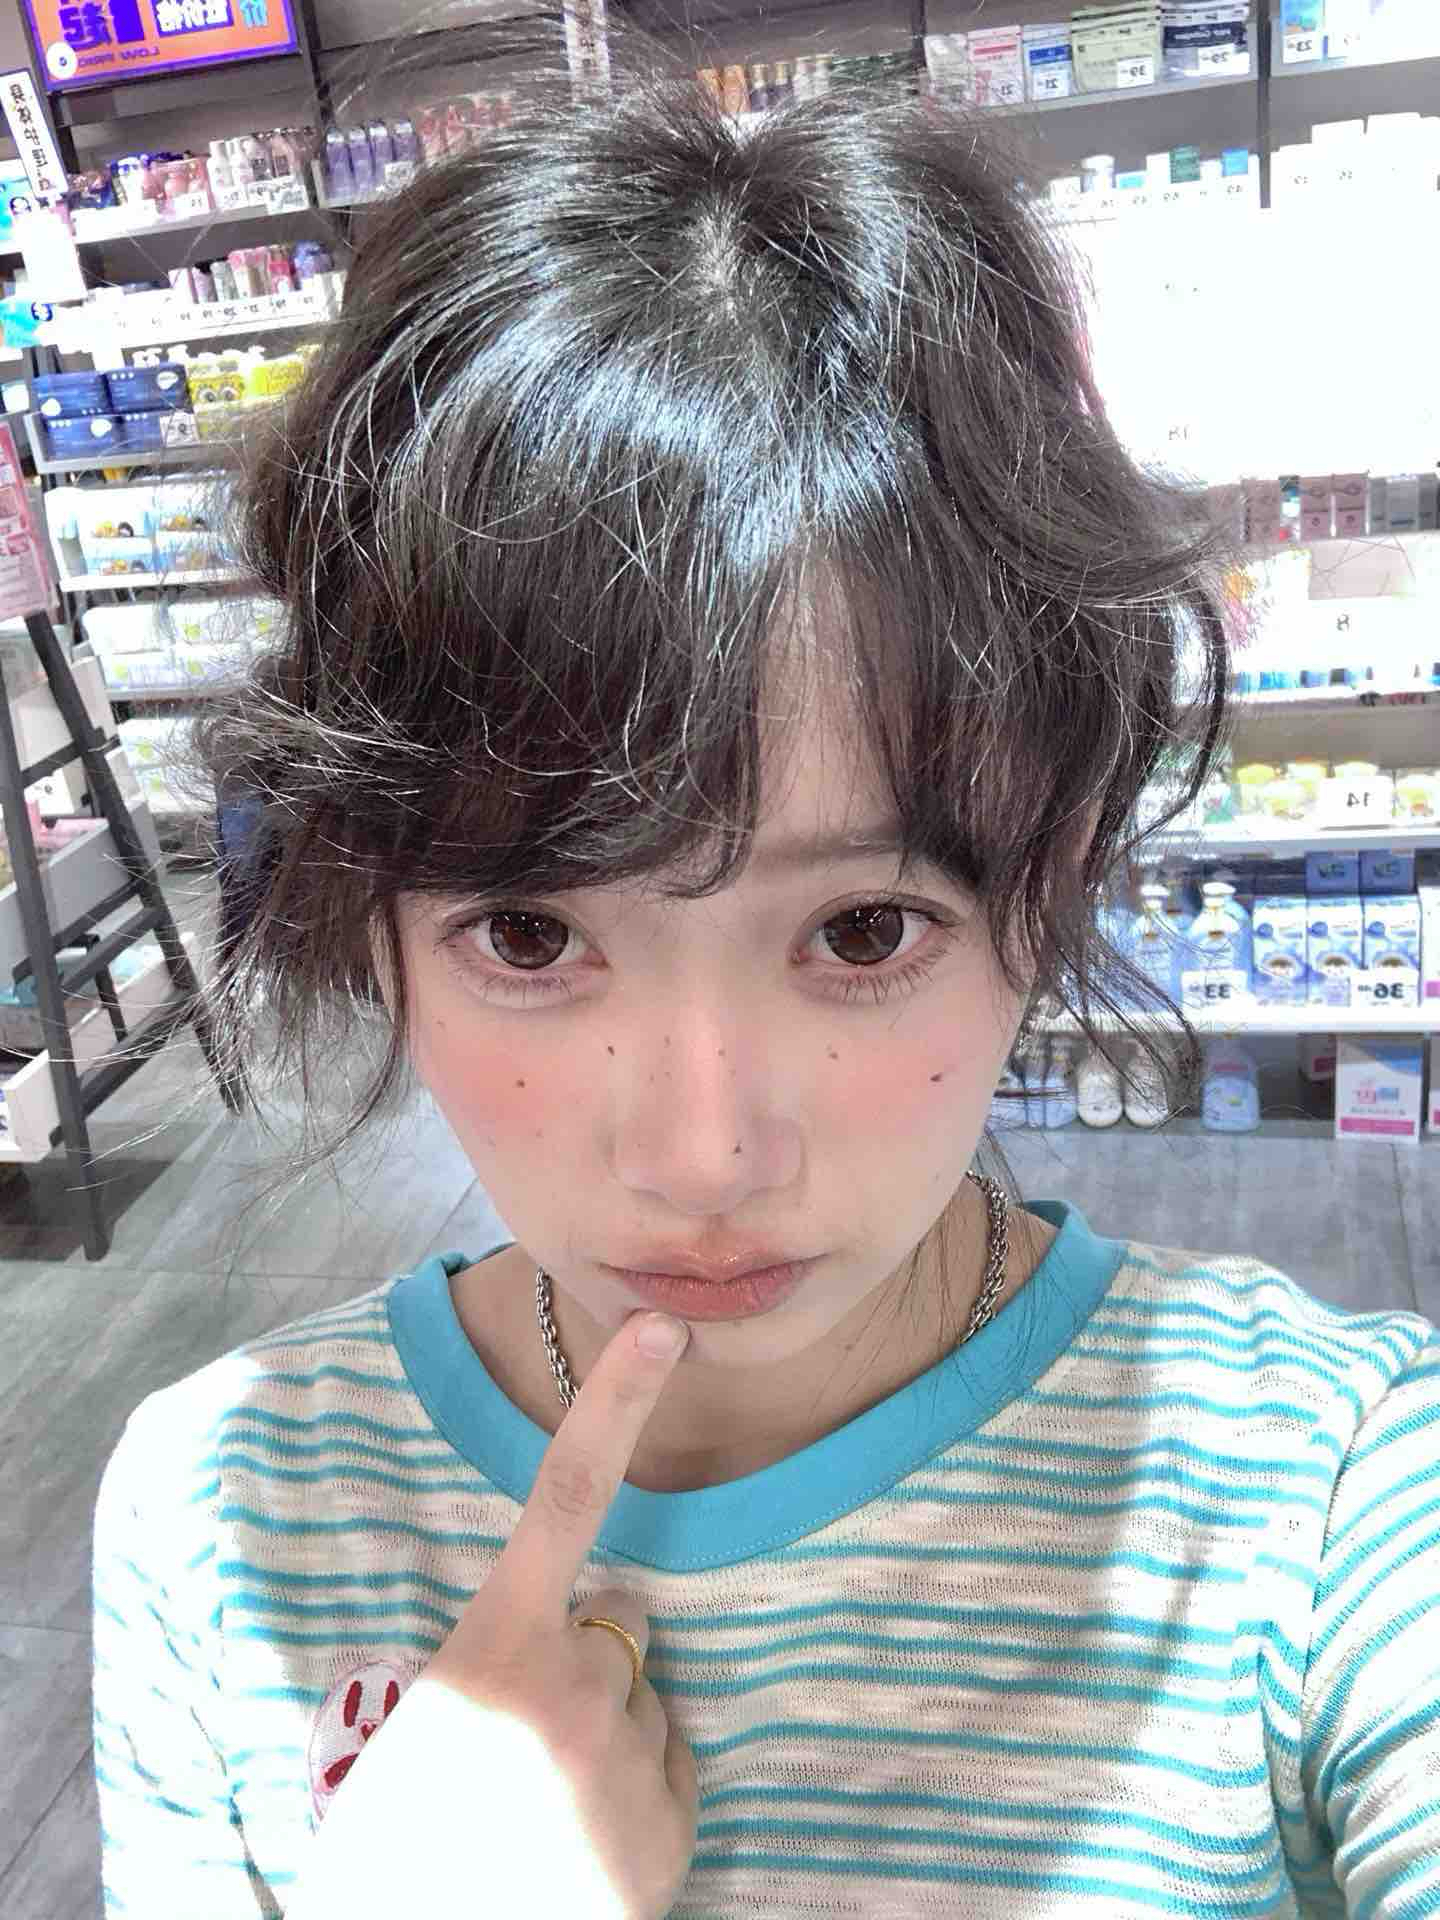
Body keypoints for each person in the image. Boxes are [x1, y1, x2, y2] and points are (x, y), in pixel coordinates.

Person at [91, 19, 1439, 1919]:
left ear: (1049, 877)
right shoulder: (218, 1517)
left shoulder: (1336, 1502)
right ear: (370, 916)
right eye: (530, 933)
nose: (704, 1155)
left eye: (863, 930)